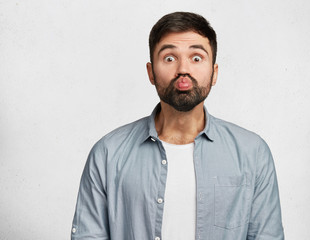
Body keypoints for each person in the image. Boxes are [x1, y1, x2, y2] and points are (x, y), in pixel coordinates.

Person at [71, 11, 284, 240]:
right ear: (151, 72)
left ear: (214, 73)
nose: (183, 69)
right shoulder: (108, 154)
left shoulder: (252, 153)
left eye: (196, 58)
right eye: (170, 58)